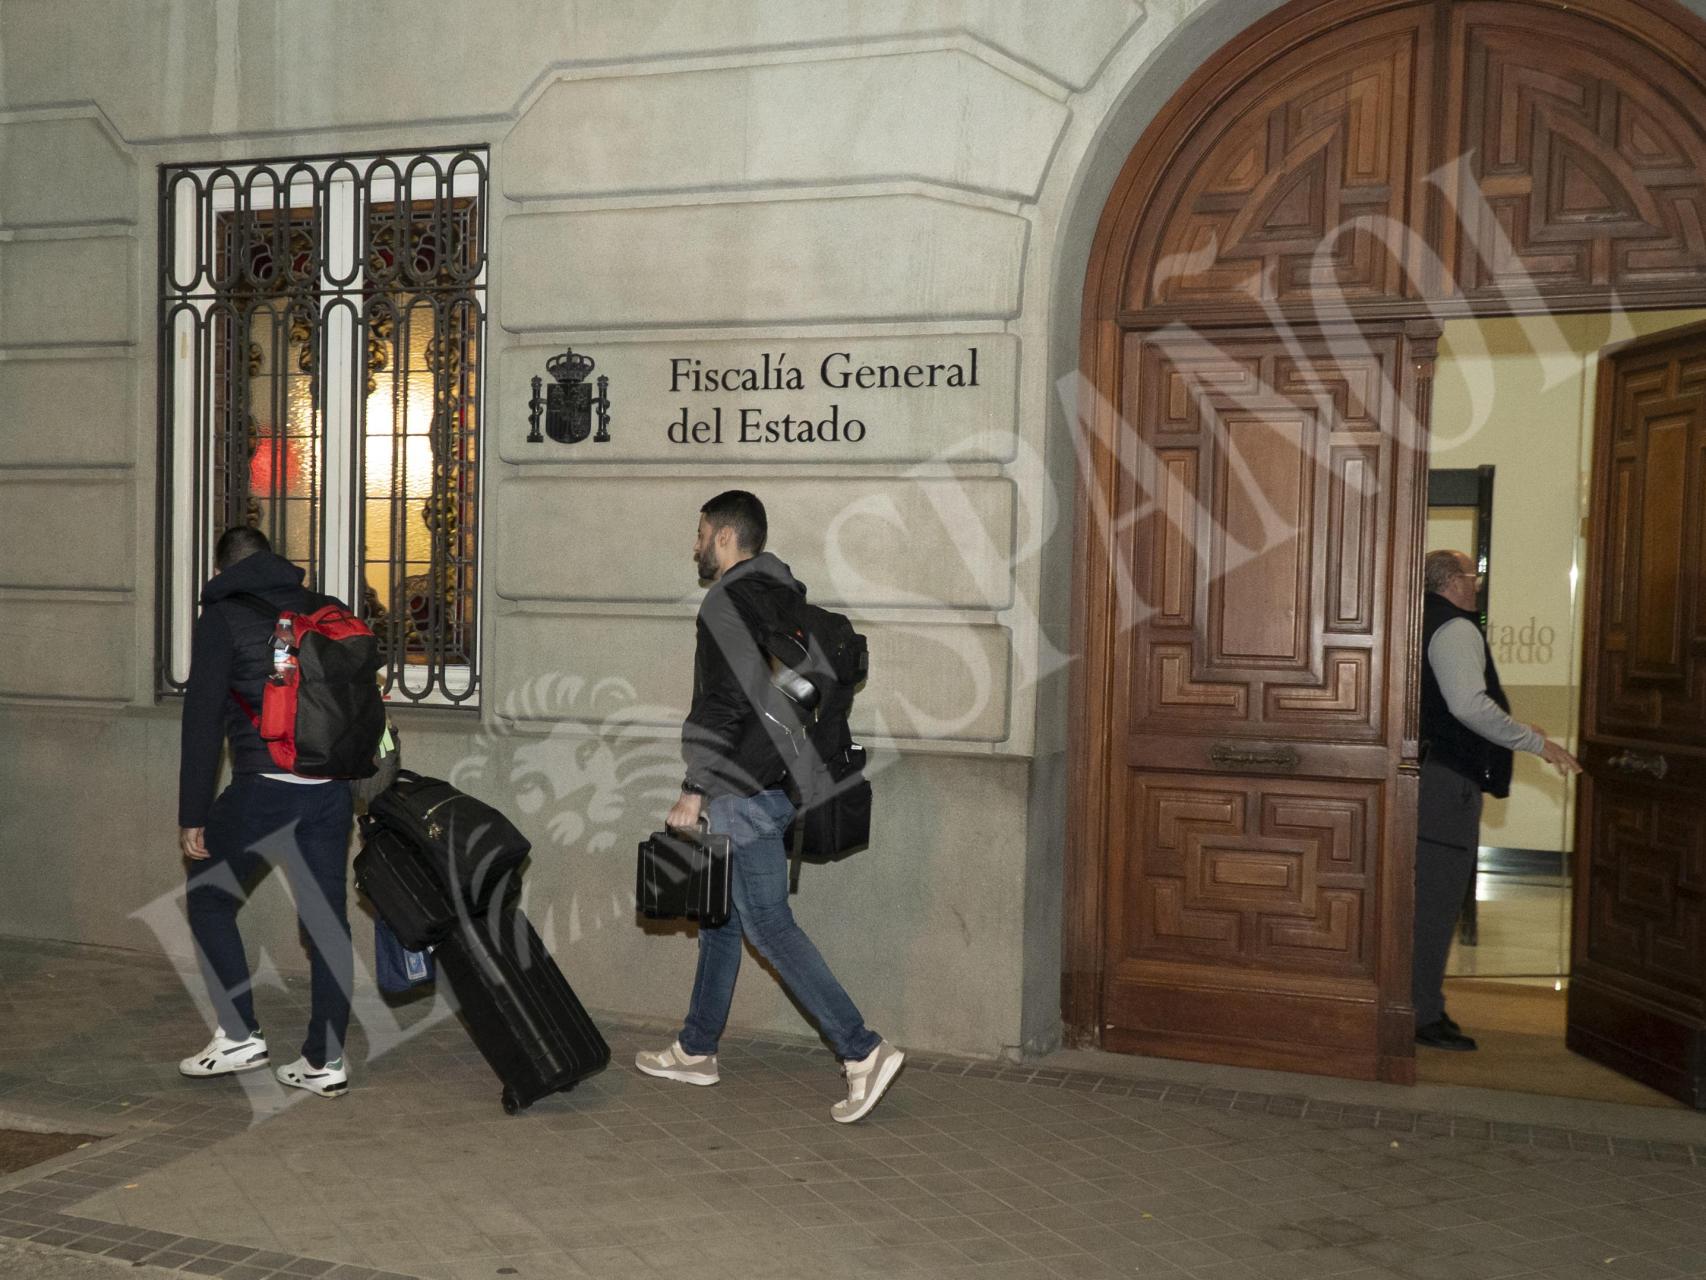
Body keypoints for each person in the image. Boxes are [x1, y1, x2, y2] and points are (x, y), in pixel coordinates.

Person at [635, 490, 904, 1122]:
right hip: (790, 783)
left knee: (767, 924)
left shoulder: (727, 601)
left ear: (726, 538)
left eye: (701, 533)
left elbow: (724, 702)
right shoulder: (788, 602)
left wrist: (695, 786)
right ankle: (697, 1048)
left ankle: (862, 1051)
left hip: (746, 786)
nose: (695, 545)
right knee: (725, 918)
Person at [176, 526, 355, 1097]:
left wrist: (193, 812)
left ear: (223, 568)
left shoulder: (223, 617)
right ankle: (324, 1061)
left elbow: (202, 723)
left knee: (208, 899)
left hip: (263, 789)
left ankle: (239, 1036)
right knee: (327, 921)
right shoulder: (326, 608)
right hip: (330, 789)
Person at [1415, 549, 1581, 1051]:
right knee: (1435, 904)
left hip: (1424, 776)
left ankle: (1417, 1004)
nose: (1478, 584)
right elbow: (1467, 704)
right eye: (1473, 575)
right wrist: (1534, 742)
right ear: (1451, 582)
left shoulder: (1418, 620)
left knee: (1422, 900)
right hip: (1445, 786)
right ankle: (1421, 1014)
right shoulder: (1456, 628)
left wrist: (1515, 729)